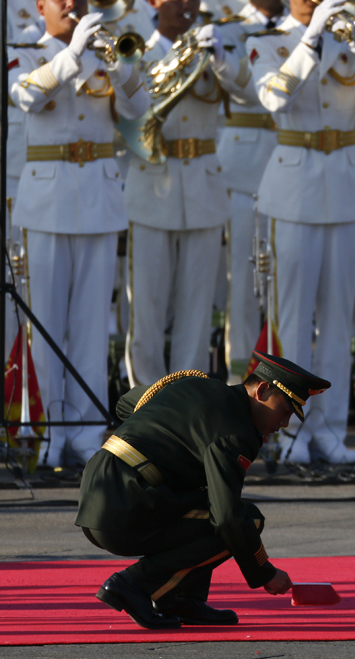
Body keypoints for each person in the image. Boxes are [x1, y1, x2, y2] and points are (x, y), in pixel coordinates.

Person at [248, 0, 355, 463]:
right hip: (293, 188)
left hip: (346, 184)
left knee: (337, 321)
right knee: (292, 319)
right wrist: (311, 38)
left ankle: (331, 430)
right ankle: (288, 431)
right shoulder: (268, 42)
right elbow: (275, 97)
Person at [75, 351, 327, 629]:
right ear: (263, 390)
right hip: (124, 508)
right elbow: (228, 516)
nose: (284, 423)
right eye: (285, 410)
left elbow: (125, 405)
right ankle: (132, 584)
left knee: (206, 499)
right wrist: (265, 572)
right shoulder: (236, 432)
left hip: (101, 492)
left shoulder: (197, 386)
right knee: (245, 520)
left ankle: (181, 598)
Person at [9, 0, 150, 467]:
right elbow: (26, 95)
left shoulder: (107, 53)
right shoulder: (27, 50)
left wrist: (124, 63)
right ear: (41, 6)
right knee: (45, 323)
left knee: (91, 326)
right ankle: (46, 432)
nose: (72, 4)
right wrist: (72, 55)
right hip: (47, 201)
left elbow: (137, 109)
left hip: (100, 197)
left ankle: (88, 432)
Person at [123, 0, 246, 387]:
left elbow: (249, 95)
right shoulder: (137, 52)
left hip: (203, 188)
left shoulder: (213, 50)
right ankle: (145, 403)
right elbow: (126, 115)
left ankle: (187, 401)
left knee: (197, 309)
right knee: (147, 308)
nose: (184, 7)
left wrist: (222, 58)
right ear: (154, 3)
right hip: (152, 184)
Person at [214, 0, 284, 381]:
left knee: (287, 286)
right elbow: (247, 89)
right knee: (242, 284)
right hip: (243, 171)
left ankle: (286, 376)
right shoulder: (226, 31)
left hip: (294, 167)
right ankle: (241, 379)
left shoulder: (298, 27)